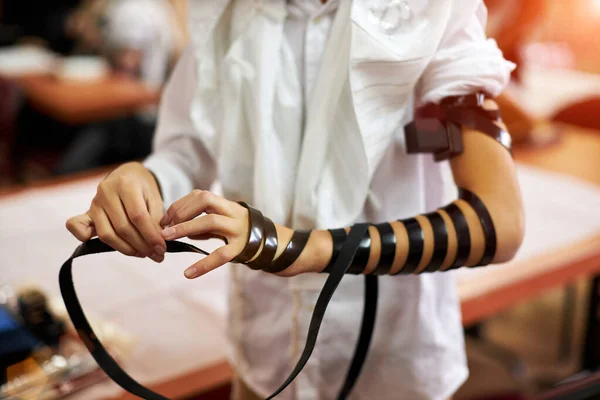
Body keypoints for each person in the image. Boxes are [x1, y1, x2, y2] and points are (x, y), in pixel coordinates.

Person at [66, 1, 525, 399]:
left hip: (392, 366)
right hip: (264, 355)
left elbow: (498, 223)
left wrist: (296, 248)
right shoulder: (226, 9)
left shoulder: (431, 11)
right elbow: (189, 147)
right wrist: (145, 179)